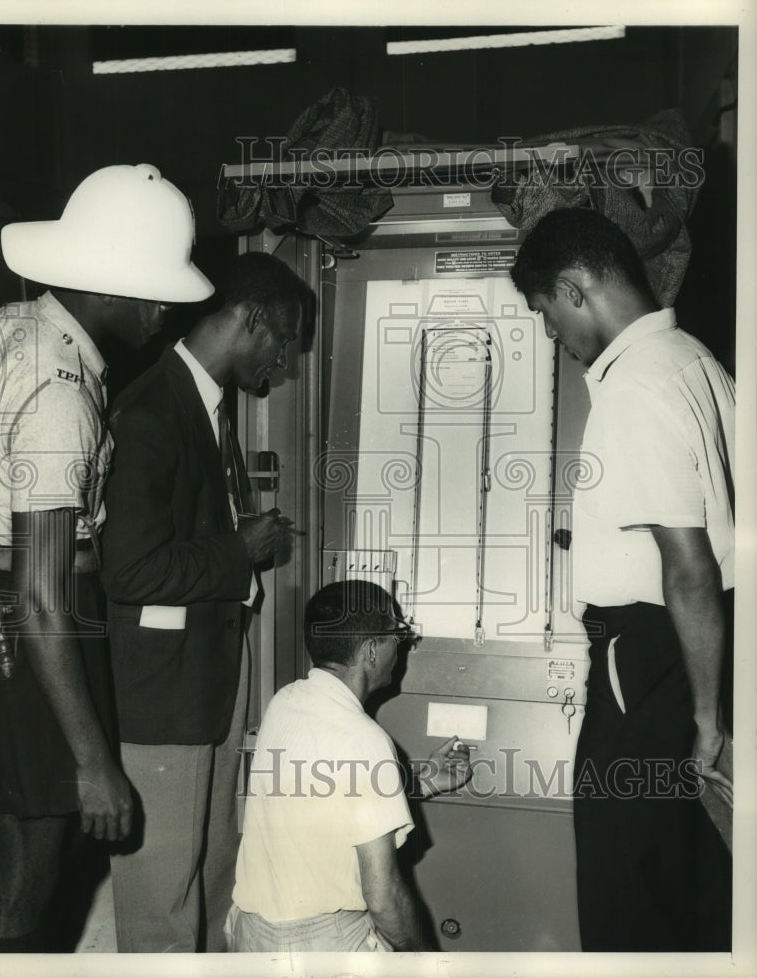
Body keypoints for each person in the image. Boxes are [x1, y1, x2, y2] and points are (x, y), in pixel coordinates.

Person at [0, 163, 212, 952]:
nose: (165, 309)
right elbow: (42, 594)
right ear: (107, 288)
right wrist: (92, 762)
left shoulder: (13, 328)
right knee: (23, 894)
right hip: (25, 633)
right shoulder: (60, 394)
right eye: (154, 290)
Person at [510, 207, 734, 951]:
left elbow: (688, 567)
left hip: (647, 657)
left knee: (624, 886)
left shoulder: (633, 388)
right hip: (699, 652)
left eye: (547, 315)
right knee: (689, 878)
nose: (553, 337)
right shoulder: (700, 363)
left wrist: (705, 718)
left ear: (573, 289)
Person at [100, 251, 308, 952]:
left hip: (208, 682)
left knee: (217, 875)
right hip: (164, 698)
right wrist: (240, 550)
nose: (281, 367)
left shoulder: (206, 407)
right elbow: (128, 571)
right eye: (282, 344)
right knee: (161, 900)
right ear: (249, 320)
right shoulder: (149, 412)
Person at [225, 579, 473, 953]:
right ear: (372, 650)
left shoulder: (285, 702)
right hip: (318, 945)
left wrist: (424, 782)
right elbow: (384, 897)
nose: (401, 647)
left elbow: (329, 797)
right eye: (397, 635)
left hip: (251, 934)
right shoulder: (365, 739)